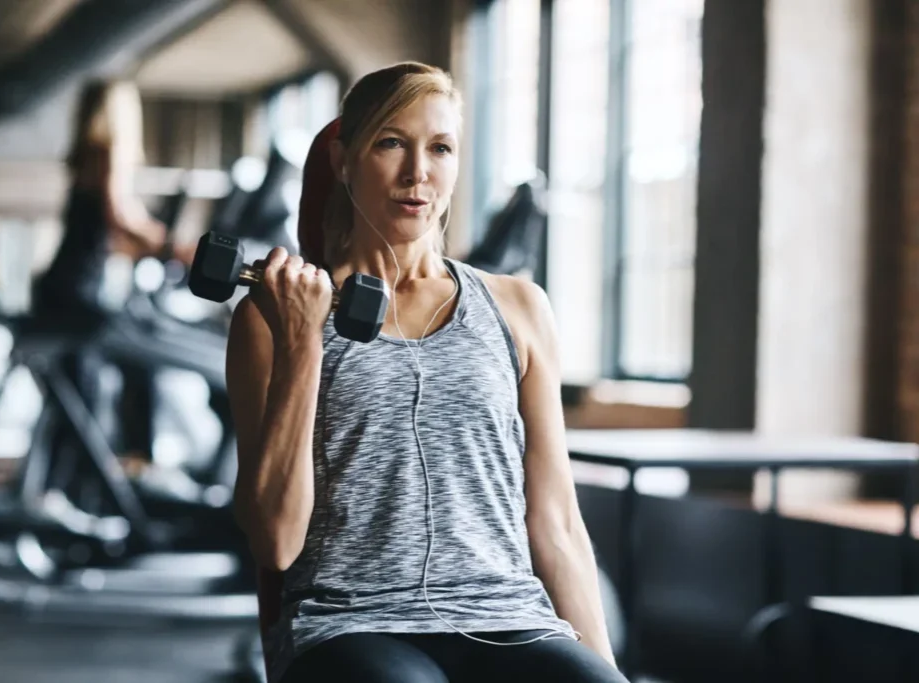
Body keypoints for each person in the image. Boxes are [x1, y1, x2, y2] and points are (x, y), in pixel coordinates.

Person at [225, 62, 628, 683]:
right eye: (391, 143)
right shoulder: (272, 318)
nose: (419, 173)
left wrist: (605, 671)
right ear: (344, 158)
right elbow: (275, 541)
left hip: (509, 617)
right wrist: (305, 341)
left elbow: (557, 524)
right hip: (352, 622)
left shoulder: (518, 308)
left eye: (440, 148)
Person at [31, 80, 192, 491]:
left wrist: (151, 248)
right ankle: (132, 465)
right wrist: (178, 247)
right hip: (77, 291)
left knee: (74, 394)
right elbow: (120, 215)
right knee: (127, 369)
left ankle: (58, 488)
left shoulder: (85, 156)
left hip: (61, 285)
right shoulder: (111, 150)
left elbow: (104, 234)